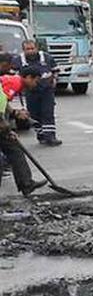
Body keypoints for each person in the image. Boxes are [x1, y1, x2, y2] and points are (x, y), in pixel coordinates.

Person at [0, 59, 44, 198]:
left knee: (14, 149)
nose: (35, 85)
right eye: (35, 81)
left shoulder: (14, 84)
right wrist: (5, 127)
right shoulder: (15, 83)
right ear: (28, 78)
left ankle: (26, 184)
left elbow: (3, 103)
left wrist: (15, 113)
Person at [19, 40, 60, 146]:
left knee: (47, 112)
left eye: (32, 48)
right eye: (28, 49)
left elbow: (55, 70)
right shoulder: (19, 60)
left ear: (37, 48)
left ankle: (50, 137)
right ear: (23, 50)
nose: (31, 51)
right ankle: (41, 135)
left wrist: (54, 80)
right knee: (34, 113)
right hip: (30, 92)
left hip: (46, 90)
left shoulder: (47, 58)